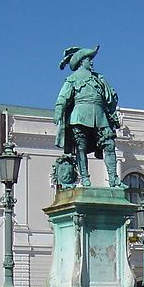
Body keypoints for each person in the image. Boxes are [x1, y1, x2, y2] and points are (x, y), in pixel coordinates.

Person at [53, 46, 124, 187]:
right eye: (88, 59)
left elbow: (109, 97)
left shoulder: (99, 78)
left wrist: (112, 98)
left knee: (109, 144)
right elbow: (63, 97)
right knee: (81, 147)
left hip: (100, 115)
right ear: (80, 62)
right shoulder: (72, 79)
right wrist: (58, 111)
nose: (91, 62)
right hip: (79, 115)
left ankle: (113, 179)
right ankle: (85, 178)